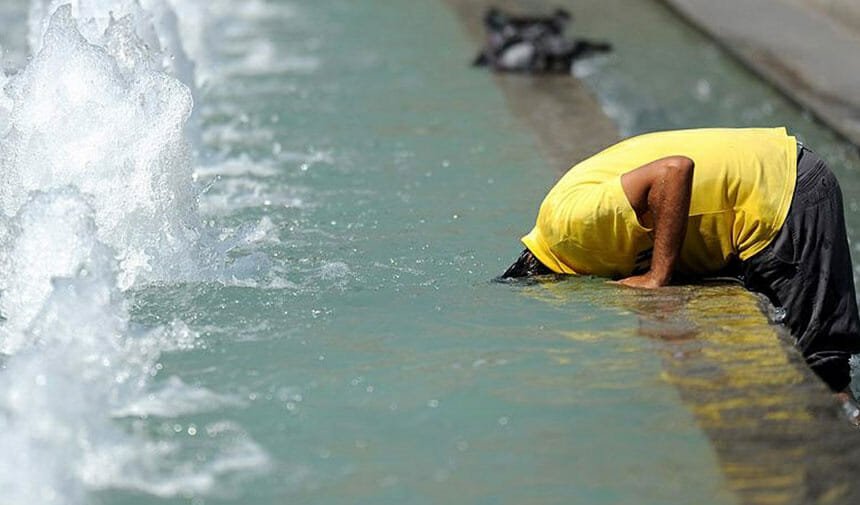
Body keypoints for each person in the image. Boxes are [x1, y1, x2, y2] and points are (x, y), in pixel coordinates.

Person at [504, 127, 860, 414]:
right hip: (770, 182)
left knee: (821, 376)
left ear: (544, 279)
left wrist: (657, 275)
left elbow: (674, 170)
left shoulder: (570, 228)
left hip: (782, 195)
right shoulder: (564, 227)